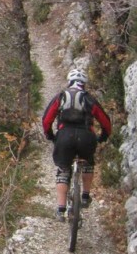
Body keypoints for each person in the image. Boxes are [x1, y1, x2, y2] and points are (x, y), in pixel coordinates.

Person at [42, 68, 112, 222]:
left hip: (65, 136)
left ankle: (61, 209)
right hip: (86, 137)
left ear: (69, 82)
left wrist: (50, 135)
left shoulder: (61, 96)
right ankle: (85, 196)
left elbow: (47, 119)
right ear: (84, 84)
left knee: (63, 171)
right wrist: (103, 136)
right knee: (87, 163)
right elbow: (105, 122)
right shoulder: (89, 99)